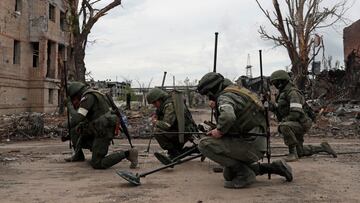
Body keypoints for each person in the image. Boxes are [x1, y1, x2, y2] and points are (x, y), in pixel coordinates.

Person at [196, 72, 293, 189]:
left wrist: (219, 131)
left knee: (204, 145)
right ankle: (274, 167)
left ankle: (245, 174)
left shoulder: (224, 97)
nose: (208, 97)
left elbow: (228, 117)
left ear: (211, 91)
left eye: (207, 94)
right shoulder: (237, 91)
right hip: (258, 141)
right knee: (229, 174)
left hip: (250, 144)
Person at [64, 81, 138, 169]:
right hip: (97, 127)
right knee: (74, 130)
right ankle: (78, 155)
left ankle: (128, 154)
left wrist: (69, 105)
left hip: (103, 131)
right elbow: (82, 119)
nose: (74, 102)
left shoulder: (88, 97)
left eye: (73, 100)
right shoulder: (93, 94)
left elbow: (78, 118)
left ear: (76, 95)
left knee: (97, 163)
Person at [269, 70, 337, 162]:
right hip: (295, 122)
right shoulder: (283, 93)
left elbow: (296, 112)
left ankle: (292, 154)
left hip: (301, 123)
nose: (274, 85)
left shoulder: (292, 93)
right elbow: (282, 109)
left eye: (275, 82)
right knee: (300, 151)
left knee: (284, 126)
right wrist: (270, 106)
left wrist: (285, 120)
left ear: (281, 81)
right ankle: (323, 147)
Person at [146, 88, 198, 163]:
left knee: (158, 132)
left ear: (159, 99)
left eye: (154, 102)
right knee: (178, 151)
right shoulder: (167, 103)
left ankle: (174, 154)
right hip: (182, 130)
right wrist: (158, 116)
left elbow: (167, 125)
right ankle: (194, 150)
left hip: (183, 132)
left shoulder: (169, 105)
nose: (154, 105)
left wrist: (155, 122)